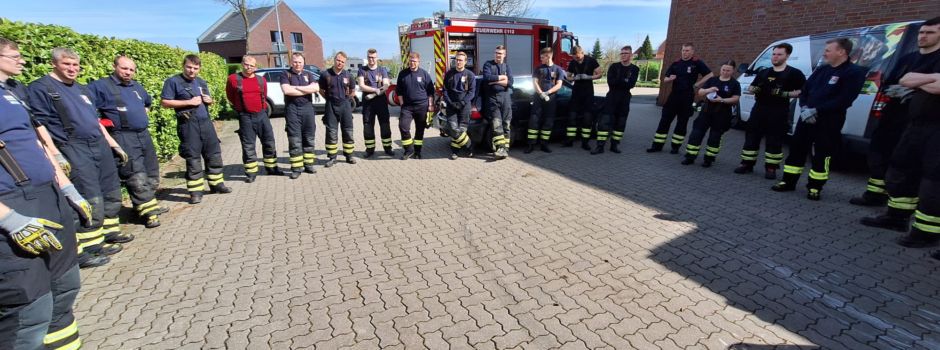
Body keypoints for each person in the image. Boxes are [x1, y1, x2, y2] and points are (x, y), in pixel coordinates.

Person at [0, 37, 90, 349]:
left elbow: (36, 142)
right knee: (28, 310)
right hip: (13, 205)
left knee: (65, 285)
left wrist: (67, 188)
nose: (22, 60)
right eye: (14, 55)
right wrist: (10, 220)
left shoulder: (12, 91)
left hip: (47, 196)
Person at [27, 47, 132, 265]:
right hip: (73, 147)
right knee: (89, 195)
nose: (72, 69)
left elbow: (95, 120)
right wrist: (55, 154)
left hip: (98, 145)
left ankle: (108, 233)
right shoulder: (41, 88)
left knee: (110, 189)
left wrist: (113, 145)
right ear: (54, 63)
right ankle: (91, 246)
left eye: (75, 65)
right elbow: (39, 125)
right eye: (67, 64)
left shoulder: (82, 89)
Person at [858, 17, 940, 254]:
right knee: (900, 169)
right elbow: (901, 79)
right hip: (912, 124)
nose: (922, 36)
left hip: (936, 128)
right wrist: (925, 81)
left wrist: (918, 82)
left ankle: (926, 232)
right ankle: (896, 217)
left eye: (930, 33)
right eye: (922, 32)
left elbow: (936, 86)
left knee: (933, 180)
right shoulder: (909, 58)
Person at [772, 38, 867, 200]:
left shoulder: (854, 72)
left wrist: (817, 110)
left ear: (841, 52)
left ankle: (815, 187)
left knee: (823, 153)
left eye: (828, 50)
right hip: (806, 117)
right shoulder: (822, 70)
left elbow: (844, 99)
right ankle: (788, 182)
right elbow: (805, 90)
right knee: (797, 149)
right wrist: (804, 107)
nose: (824, 53)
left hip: (829, 120)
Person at [89, 55, 168, 229]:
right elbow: (88, 110)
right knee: (135, 174)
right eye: (124, 68)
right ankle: (149, 214)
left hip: (143, 135)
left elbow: (148, 102)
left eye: (131, 69)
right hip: (123, 136)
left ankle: (143, 206)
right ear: (114, 66)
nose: (128, 72)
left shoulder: (136, 86)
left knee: (151, 172)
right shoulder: (100, 86)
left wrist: (142, 113)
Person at [160, 54, 232, 204]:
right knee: (193, 159)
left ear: (199, 69)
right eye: (189, 67)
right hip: (188, 124)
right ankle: (196, 192)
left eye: (195, 68)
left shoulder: (200, 81)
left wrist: (210, 100)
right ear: (183, 66)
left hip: (206, 123)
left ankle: (216, 184)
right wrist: (189, 102)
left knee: (214, 155)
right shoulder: (173, 81)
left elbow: (208, 99)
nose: (192, 71)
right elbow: (165, 102)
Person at [735, 43, 806, 179]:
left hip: (778, 110)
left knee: (775, 138)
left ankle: (771, 167)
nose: (775, 57)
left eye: (779, 54)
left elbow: (802, 91)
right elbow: (751, 88)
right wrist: (754, 89)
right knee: (752, 136)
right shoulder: (764, 72)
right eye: (774, 54)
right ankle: (746, 163)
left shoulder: (794, 73)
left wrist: (784, 94)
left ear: (787, 56)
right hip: (759, 108)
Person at [224, 55, 282, 183]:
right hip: (245, 117)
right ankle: (251, 172)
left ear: (255, 67)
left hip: (262, 115)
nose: (249, 67)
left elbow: (264, 95)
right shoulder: (233, 79)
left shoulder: (261, 80)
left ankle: (271, 168)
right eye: (246, 64)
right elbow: (230, 96)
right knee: (248, 145)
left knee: (269, 142)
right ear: (242, 64)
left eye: (251, 65)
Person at [648, 43, 713, 153]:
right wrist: (670, 79)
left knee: (682, 123)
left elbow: (710, 74)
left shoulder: (697, 63)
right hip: (673, 96)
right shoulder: (676, 63)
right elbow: (665, 79)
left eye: (687, 50)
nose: (684, 52)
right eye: (683, 50)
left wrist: (698, 83)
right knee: (664, 120)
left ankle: (675, 147)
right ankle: (657, 146)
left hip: (687, 97)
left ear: (692, 52)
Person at [681, 60, 741, 167]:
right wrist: (709, 90)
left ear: (733, 71)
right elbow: (700, 93)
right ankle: (690, 156)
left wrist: (722, 100)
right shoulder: (712, 80)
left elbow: (735, 99)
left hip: (722, 114)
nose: (725, 72)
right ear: (720, 69)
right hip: (706, 111)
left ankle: (708, 159)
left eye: (728, 70)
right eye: (723, 69)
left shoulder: (735, 84)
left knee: (715, 137)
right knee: (696, 134)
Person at [279, 53, 320, 178]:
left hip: (308, 109)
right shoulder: (285, 74)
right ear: (292, 62)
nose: (298, 64)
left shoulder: (308, 74)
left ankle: (308, 165)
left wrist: (296, 88)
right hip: (292, 110)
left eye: (300, 62)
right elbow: (287, 90)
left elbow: (316, 88)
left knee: (309, 138)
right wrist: (306, 88)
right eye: (295, 62)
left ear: (303, 63)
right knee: (295, 140)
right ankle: (296, 168)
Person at [593, 46, 639, 155]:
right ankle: (600, 146)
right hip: (611, 98)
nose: (623, 55)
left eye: (626, 53)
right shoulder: (614, 67)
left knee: (620, 124)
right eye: (622, 53)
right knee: (604, 123)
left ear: (631, 55)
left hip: (624, 100)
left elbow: (631, 84)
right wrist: (624, 80)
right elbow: (611, 82)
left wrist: (620, 80)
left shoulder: (635, 69)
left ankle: (614, 145)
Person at [318, 51, 357, 166]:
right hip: (331, 105)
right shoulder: (325, 74)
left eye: (342, 62)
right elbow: (321, 90)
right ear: (334, 60)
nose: (340, 63)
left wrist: (347, 99)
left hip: (345, 105)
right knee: (331, 132)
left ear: (345, 63)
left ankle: (349, 156)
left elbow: (353, 91)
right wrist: (329, 99)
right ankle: (332, 157)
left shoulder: (348, 75)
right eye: (338, 60)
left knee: (348, 131)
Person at [395, 52, 435, 160]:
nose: (412, 63)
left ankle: (417, 151)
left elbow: (430, 91)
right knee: (403, 126)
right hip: (407, 107)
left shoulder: (424, 74)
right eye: (411, 61)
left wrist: (430, 105)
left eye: (414, 61)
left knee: (420, 129)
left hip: (422, 106)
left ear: (418, 62)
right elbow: (398, 91)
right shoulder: (403, 74)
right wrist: (402, 103)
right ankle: (408, 149)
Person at [526, 47, 566, 154]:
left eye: (542, 57)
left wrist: (548, 93)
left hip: (551, 99)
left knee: (548, 122)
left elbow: (559, 85)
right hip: (538, 98)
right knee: (533, 121)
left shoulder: (558, 70)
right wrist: (541, 93)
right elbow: (535, 83)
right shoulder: (538, 68)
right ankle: (531, 145)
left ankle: (544, 144)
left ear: (549, 56)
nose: (541, 59)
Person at [358, 49, 394, 158]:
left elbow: (386, 85)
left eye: (373, 57)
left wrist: (379, 91)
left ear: (377, 58)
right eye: (369, 57)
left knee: (385, 125)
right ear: (367, 57)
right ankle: (370, 150)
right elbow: (361, 86)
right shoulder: (362, 70)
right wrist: (375, 90)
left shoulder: (382, 70)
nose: (371, 59)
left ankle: (387, 148)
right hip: (368, 102)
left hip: (381, 101)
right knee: (368, 125)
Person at [564, 46, 602, 150]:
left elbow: (600, 74)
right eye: (574, 57)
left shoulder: (591, 61)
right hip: (576, 92)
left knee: (587, 118)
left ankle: (585, 143)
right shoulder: (573, 62)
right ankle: (569, 140)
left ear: (582, 52)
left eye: (578, 57)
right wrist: (574, 78)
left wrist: (588, 77)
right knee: (571, 117)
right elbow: (568, 76)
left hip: (588, 93)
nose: (576, 59)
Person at [481, 45, 513, 159]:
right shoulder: (488, 64)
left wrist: (496, 81)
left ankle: (505, 149)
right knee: (496, 124)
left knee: (506, 124)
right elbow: (487, 78)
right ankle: (500, 148)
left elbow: (510, 83)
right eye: (496, 53)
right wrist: (502, 78)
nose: (498, 55)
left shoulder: (507, 66)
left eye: (500, 53)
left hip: (505, 98)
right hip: (492, 98)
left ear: (504, 55)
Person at [442, 52, 476, 159]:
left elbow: (472, 92)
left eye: (461, 60)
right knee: (453, 128)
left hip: (464, 106)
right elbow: (445, 90)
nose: (458, 62)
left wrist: (462, 102)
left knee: (461, 130)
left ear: (465, 62)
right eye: (456, 60)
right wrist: (449, 102)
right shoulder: (449, 74)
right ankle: (470, 146)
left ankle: (455, 152)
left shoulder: (470, 75)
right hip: (451, 105)